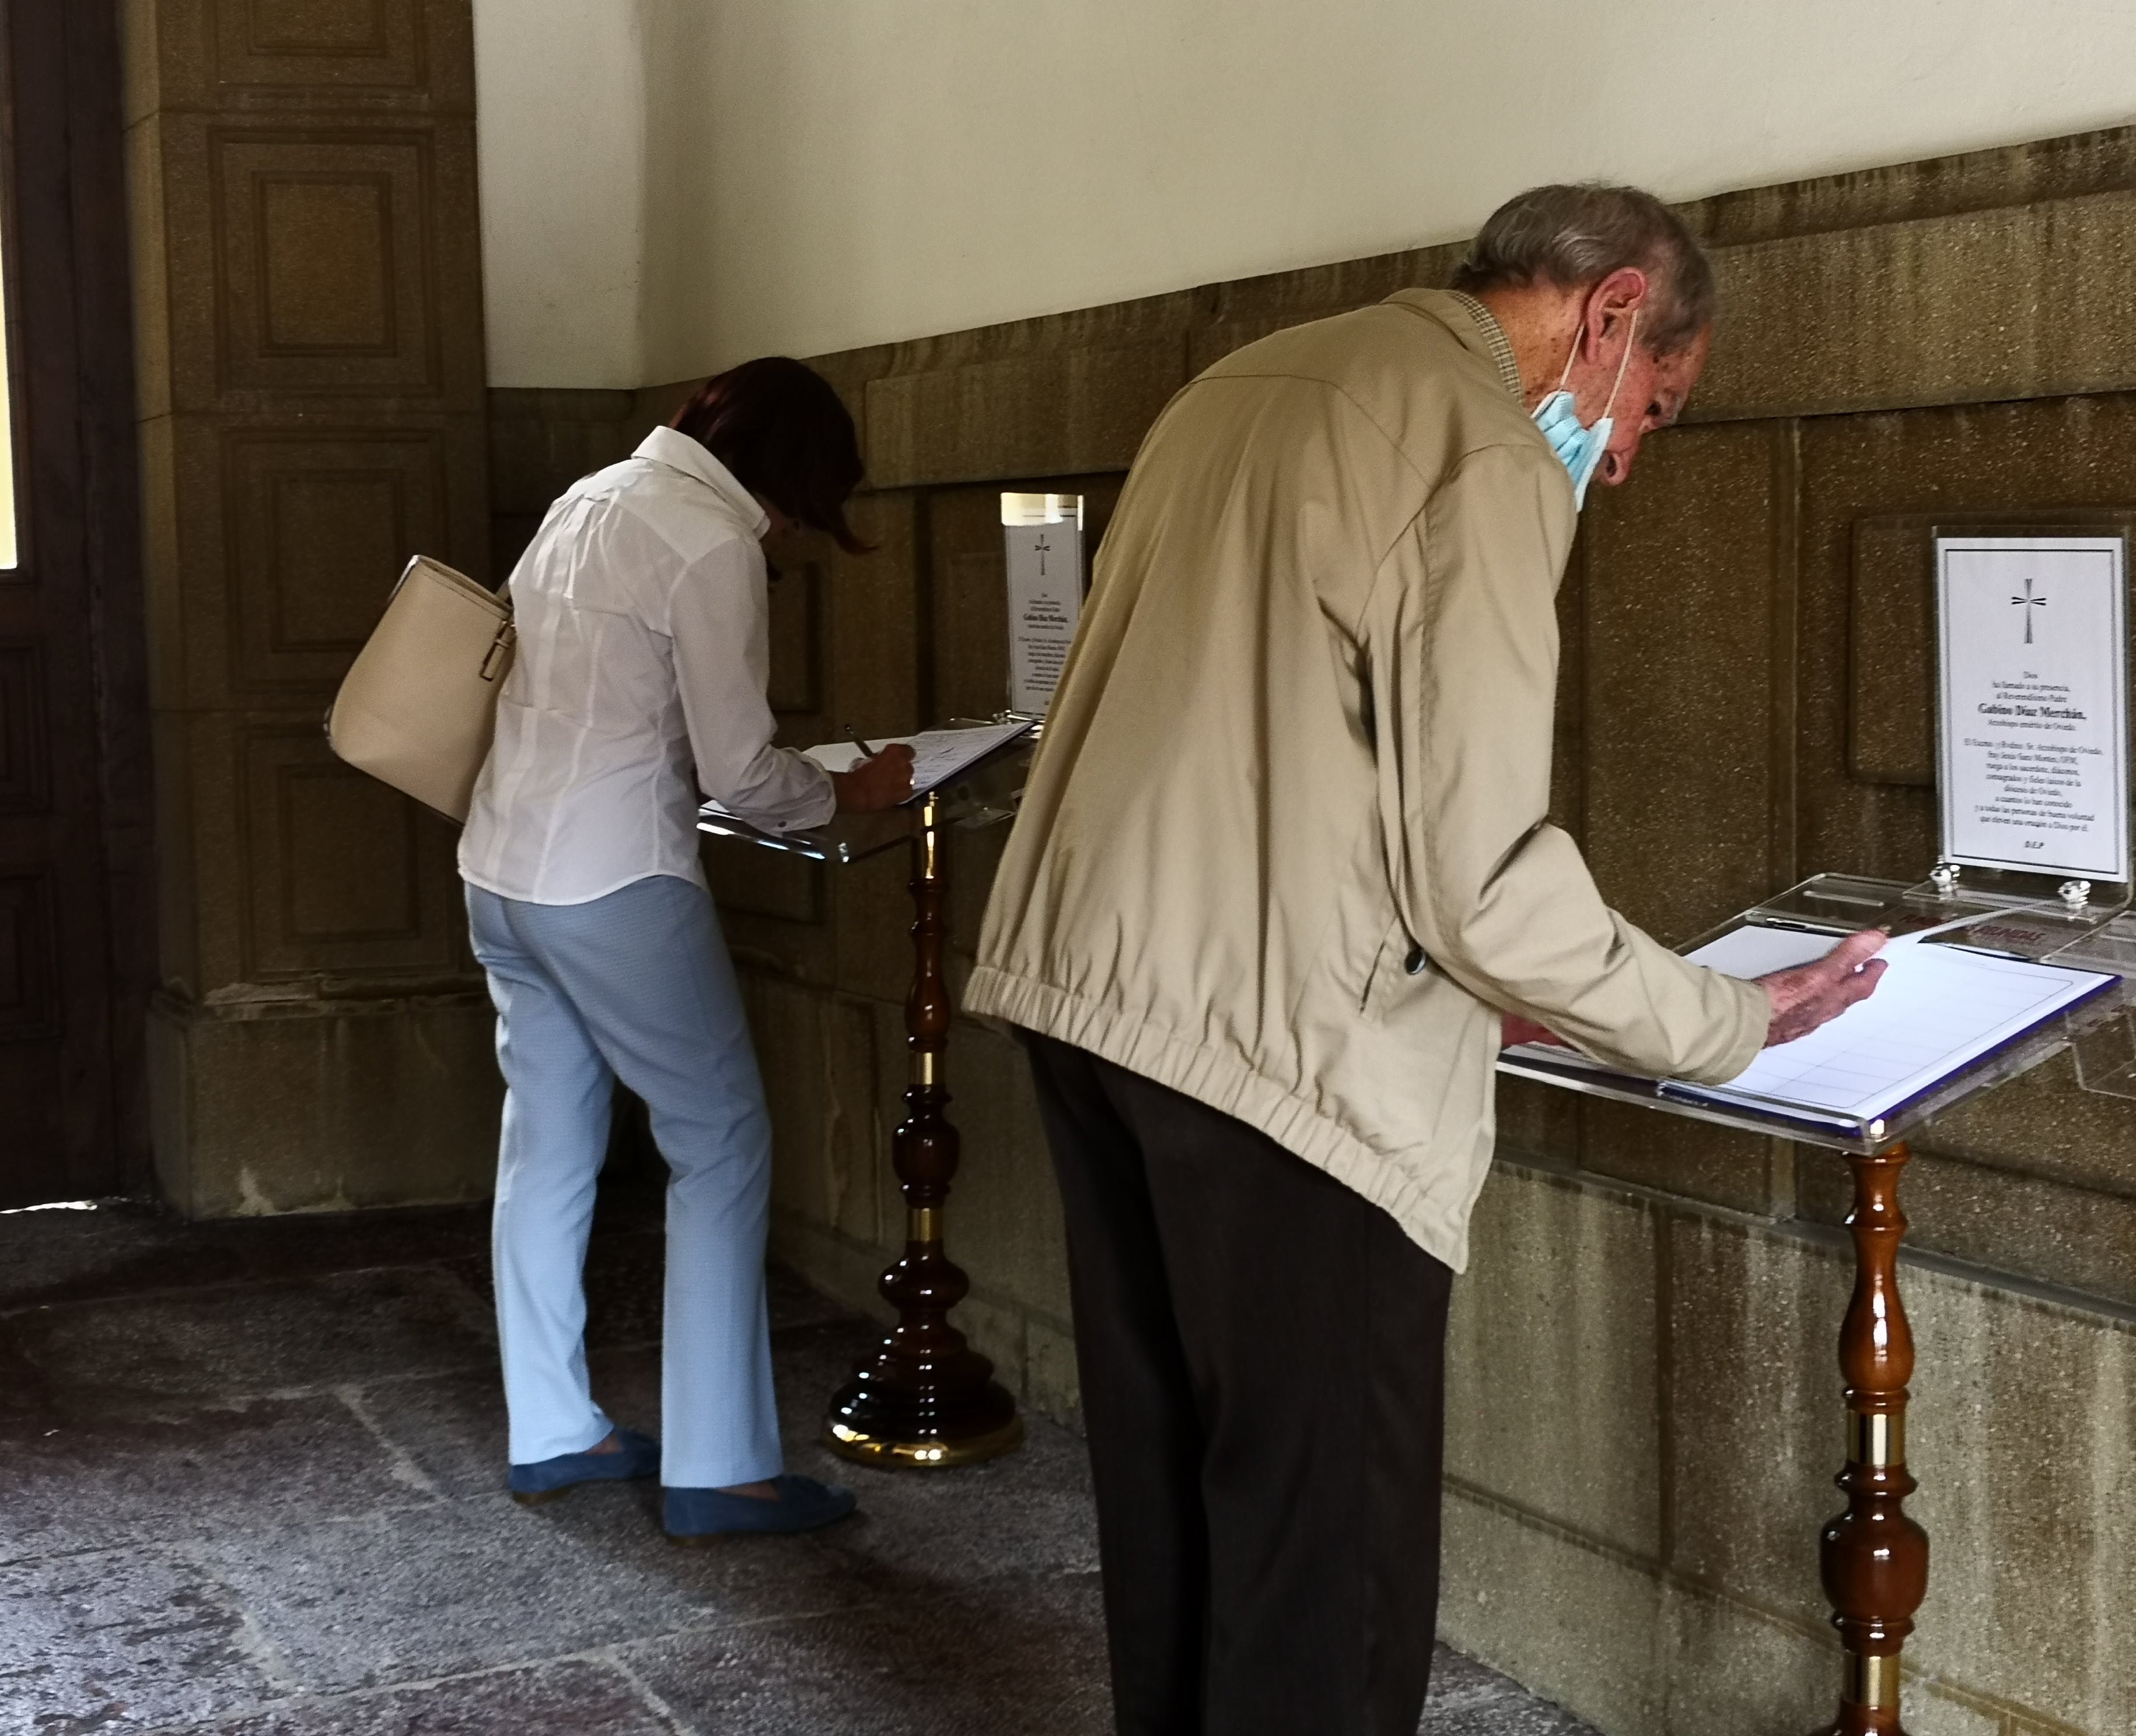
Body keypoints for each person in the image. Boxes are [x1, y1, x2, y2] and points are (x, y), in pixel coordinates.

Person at [964, 184, 1889, 1732]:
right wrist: (1722, 1020)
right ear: (1610, 316)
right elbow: (1484, 884)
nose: (1637, 449)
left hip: (1095, 1002)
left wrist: (1493, 993)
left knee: (1177, 1503)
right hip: (1284, 1066)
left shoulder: (1247, 380)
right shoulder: (1485, 445)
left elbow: (1262, 739)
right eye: (1657, 402)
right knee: (1327, 1558)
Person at [459, 356, 914, 1541]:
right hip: (613, 880)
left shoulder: (588, 496)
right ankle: (719, 1469)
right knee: (719, 1145)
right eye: (808, 511)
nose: (796, 535)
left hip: (501, 871)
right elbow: (740, 774)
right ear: (792, 479)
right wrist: (848, 794)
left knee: (549, 1144)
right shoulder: (710, 543)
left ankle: (555, 1430)